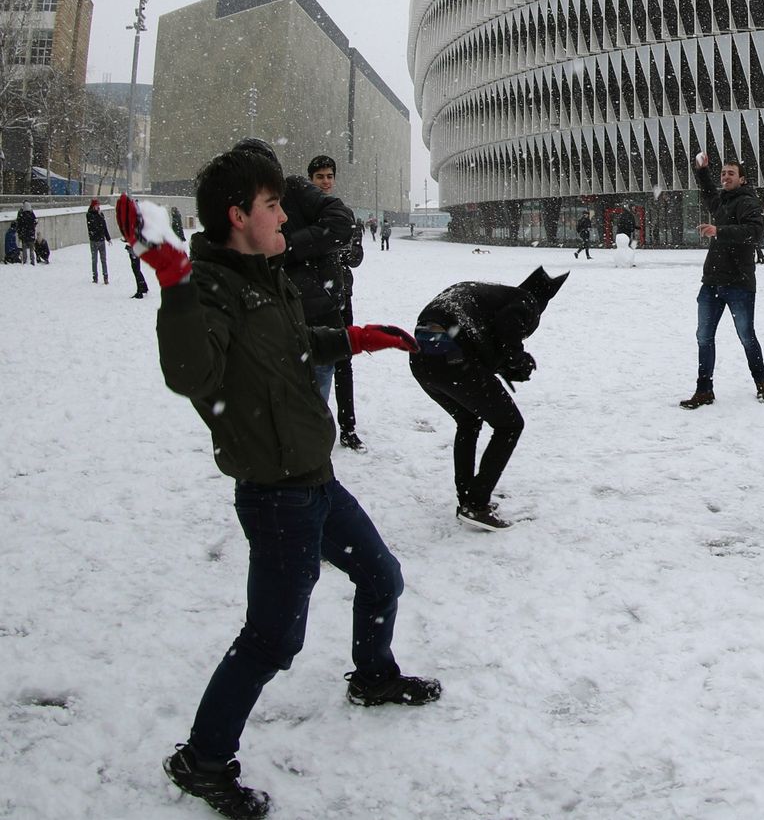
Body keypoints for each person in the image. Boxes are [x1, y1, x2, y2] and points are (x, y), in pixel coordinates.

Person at [135, 147, 436, 820]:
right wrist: (176, 287)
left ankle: (373, 676)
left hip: (316, 479)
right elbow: (190, 374)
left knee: (382, 575)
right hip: (276, 497)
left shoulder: (268, 276)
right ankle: (203, 760)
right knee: (271, 641)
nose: (284, 216)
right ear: (240, 216)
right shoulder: (213, 287)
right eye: (272, 205)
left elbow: (298, 344)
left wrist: (356, 337)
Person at [409, 268, 567, 530]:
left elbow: (481, 336)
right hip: (452, 360)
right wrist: (518, 358)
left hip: (422, 359)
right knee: (510, 425)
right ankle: (476, 503)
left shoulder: (489, 295)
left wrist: (505, 364)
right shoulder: (525, 301)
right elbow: (508, 326)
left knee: (469, 419)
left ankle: (467, 499)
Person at [232, 139, 355, 405]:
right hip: (268, 326)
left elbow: (341, 222)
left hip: (317, 315)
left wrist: (287, 247)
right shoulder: (235, 212)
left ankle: (340, 430)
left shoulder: (296, 191)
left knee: (315, 402)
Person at [679, 153, 764, 408]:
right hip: (712, 281)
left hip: (739, 282)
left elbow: (755, 232)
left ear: (742, 179)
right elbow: (709, 192)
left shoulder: (748, 202)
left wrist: (720, 231)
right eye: (723, 173)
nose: (725, 177)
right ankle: (704, 390)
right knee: (704, 337)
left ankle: (761, 382)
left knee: (746, 336)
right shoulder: (722, 203)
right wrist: (702, 171)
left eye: (731, 173)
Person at [309, 156, 366, 451]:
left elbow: (355, 257)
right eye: (320, 176)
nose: (326, 181)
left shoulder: (344, 214)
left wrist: (328, 250)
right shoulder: (304, 213)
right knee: (313, 361)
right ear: (311, 180)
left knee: (344, 361)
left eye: (329, 176)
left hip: (342, 296)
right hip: (312, 299)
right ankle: (311, 423)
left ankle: (348, 427)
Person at [87, 199, 113, 284]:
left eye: (98, 205)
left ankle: (105, 277)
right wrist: (98, 216)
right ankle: (95, 277)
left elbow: (104, 227)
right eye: (96, 205)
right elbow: (93, 226)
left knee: (103, 260)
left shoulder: (100, 214)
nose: (98, 207)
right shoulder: (89, 215)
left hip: (101, 240)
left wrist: (108, 238)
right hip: (94, 240)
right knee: (94, 260)